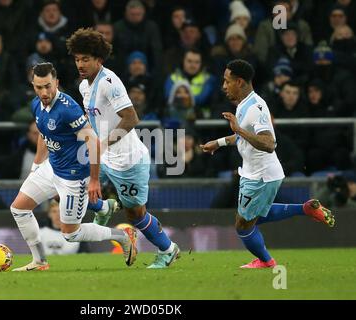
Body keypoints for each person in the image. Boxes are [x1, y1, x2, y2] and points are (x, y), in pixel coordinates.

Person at [200, 59, 335, 269]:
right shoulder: (244, 104)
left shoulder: (256, 107)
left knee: (243, 226)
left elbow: (269, 144)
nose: (224, 86)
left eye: (227, 81)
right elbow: (244, 136)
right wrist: (218, 143)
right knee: (256, 217)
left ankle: (266, 261)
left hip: (261, 175)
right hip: (254, 172)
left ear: (240, 82)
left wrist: (239, 130)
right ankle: (306, 209)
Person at [66, 28, 180, 269]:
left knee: (135, 216)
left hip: (128, 162)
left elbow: (131, 118)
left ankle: (168, 249)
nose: (80, 64)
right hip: (105, 157)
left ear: (99, 59)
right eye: (77, 59)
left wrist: (103, 143)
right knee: (73, 183)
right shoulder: (84, 87)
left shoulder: (109, 82)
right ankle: (104, 207)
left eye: (85, 59)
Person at [9, 62, 137, 271]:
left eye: (48, 86)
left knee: (71, 234)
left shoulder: (68, 109)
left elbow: (93, 142)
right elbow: (44, 134)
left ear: (56, 83)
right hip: (52, 167)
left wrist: (94, 180)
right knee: (19, 208)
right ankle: (40, 260)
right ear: (33, 86)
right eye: (39, 87)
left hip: (74, 176)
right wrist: (35, 167)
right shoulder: (36, 105)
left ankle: (122, 236)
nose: (44, 92)